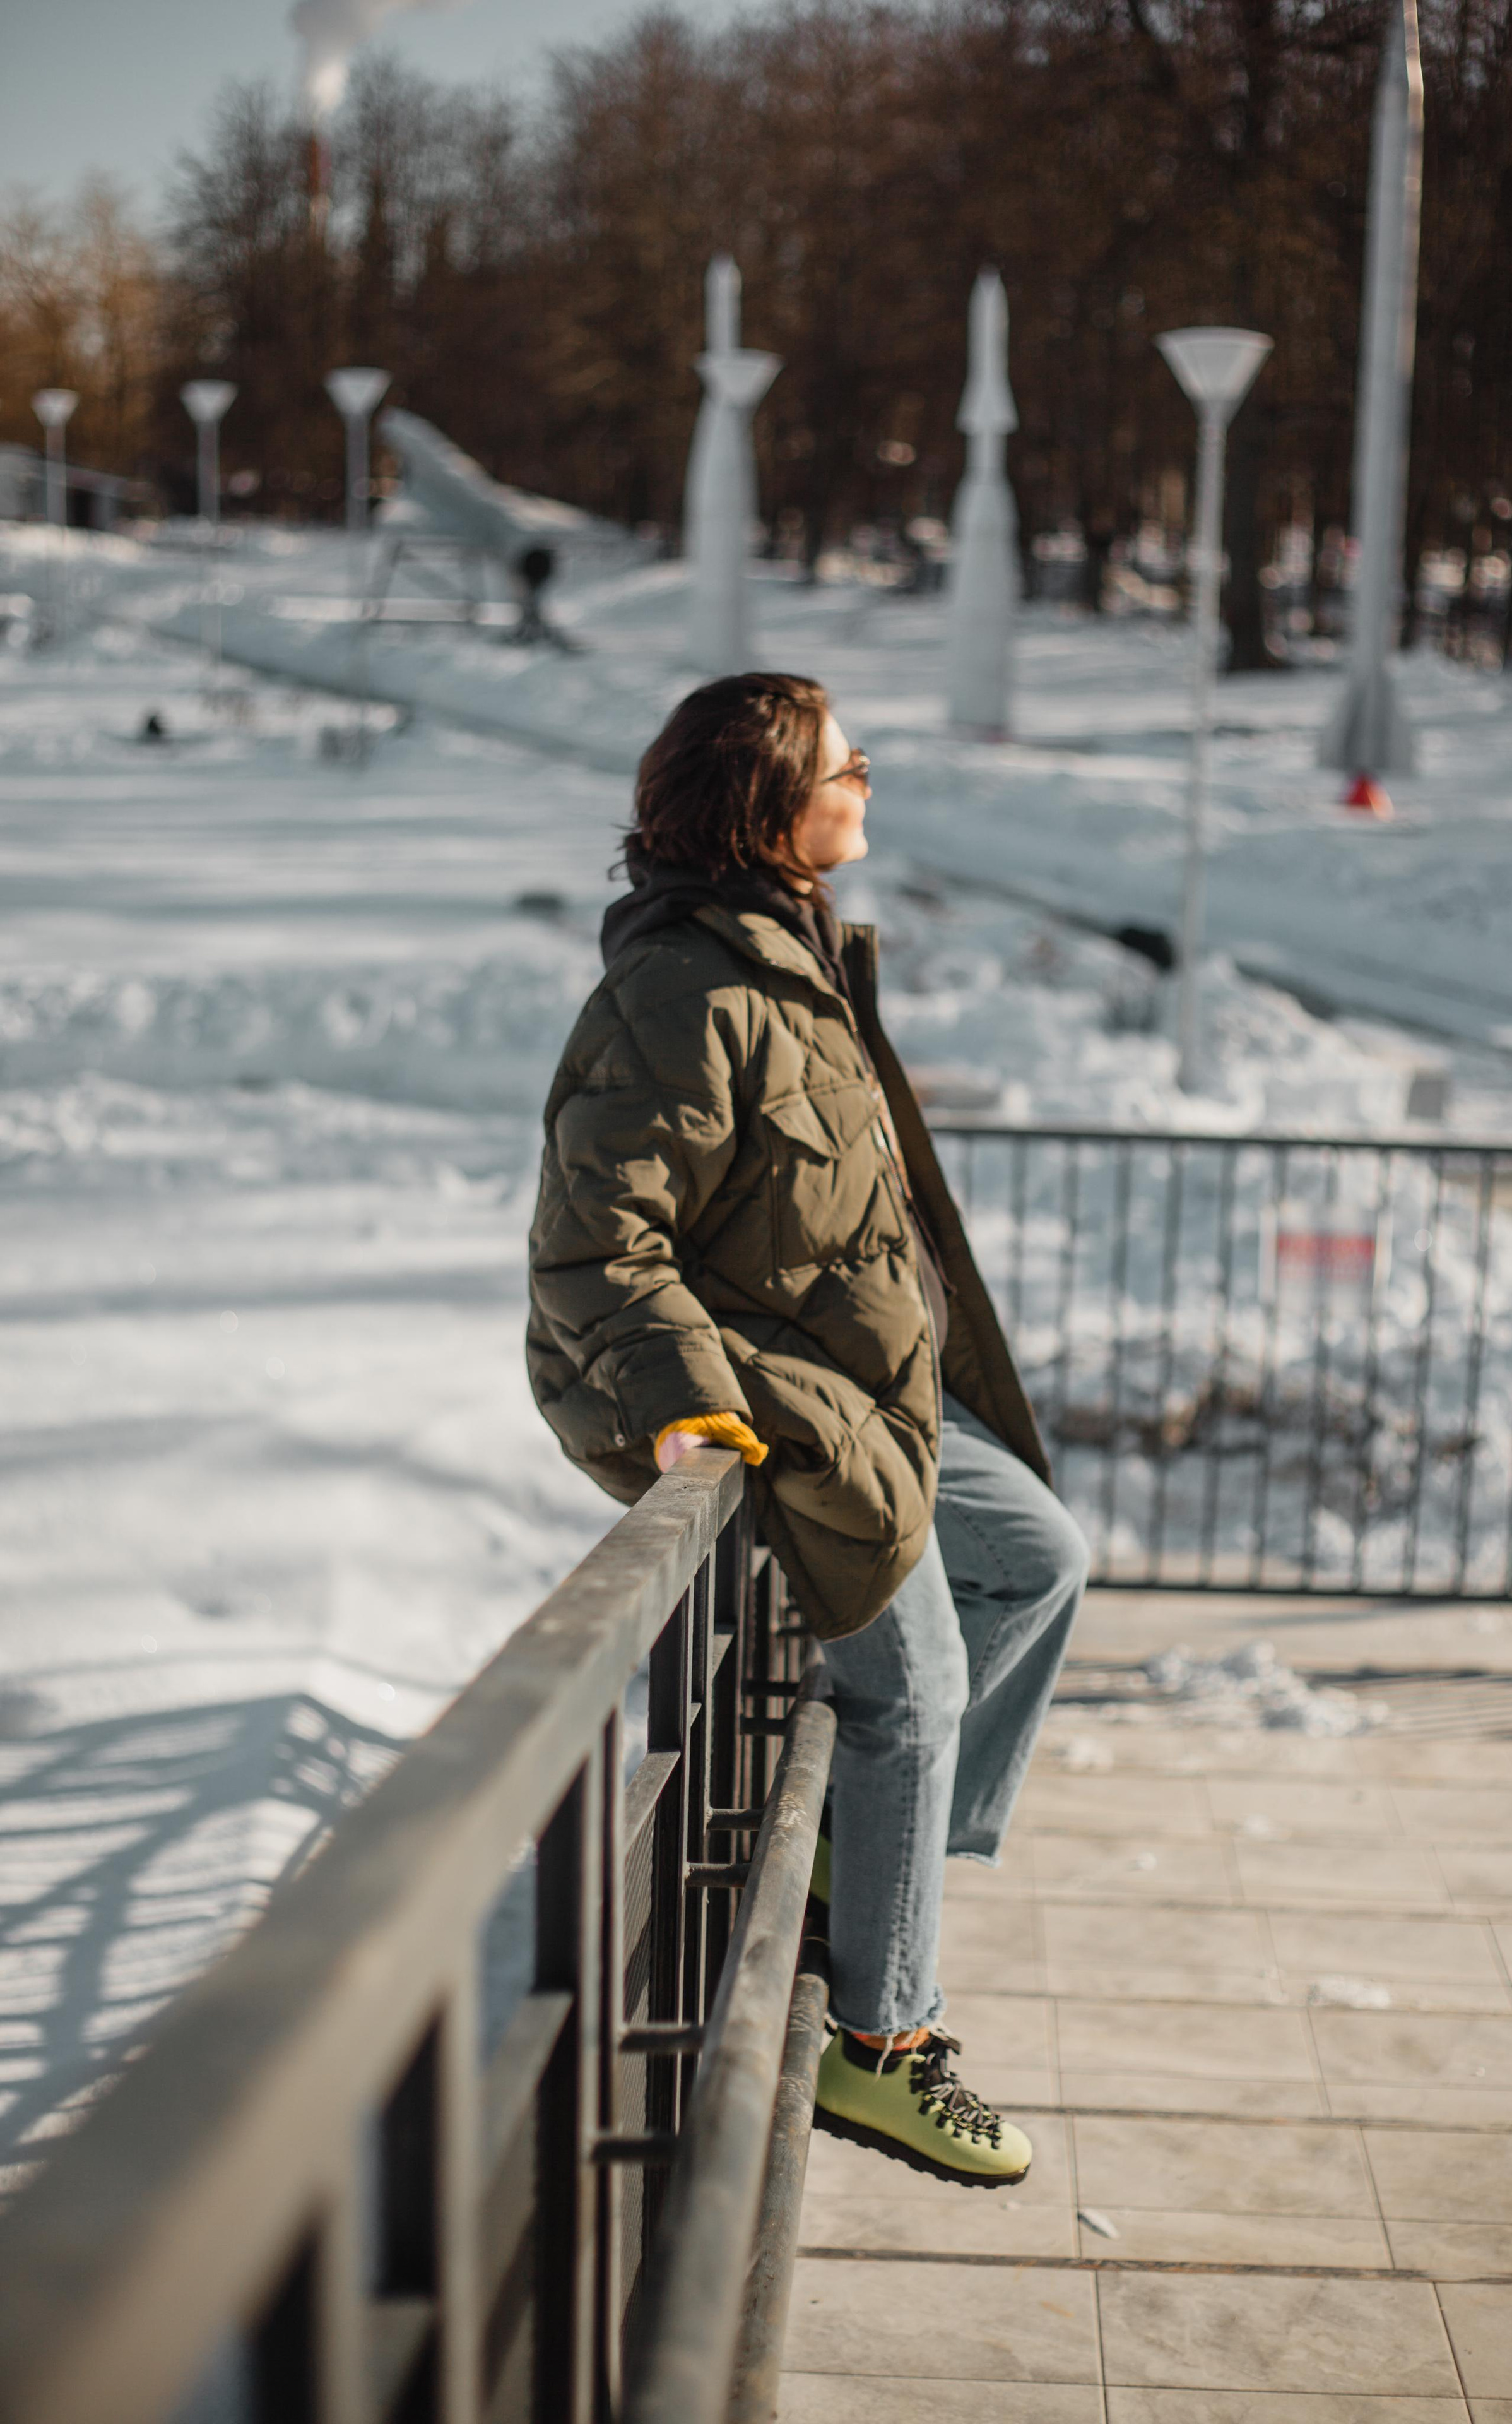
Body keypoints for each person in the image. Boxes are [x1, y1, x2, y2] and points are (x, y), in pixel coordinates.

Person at [526, 671, 1087, 2185]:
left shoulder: (794, 958)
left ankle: (863, 1870)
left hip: (873, 1386)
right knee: (910, 1690)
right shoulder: (677, 996)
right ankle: (885, 2043)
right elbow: (597, 1252)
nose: (869, 778)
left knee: (1038, 1555)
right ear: (774, 808)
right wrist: (690, 1408)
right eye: (849, 764)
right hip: (774, 1407)